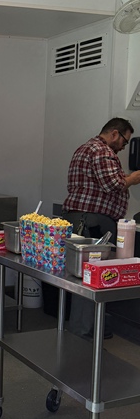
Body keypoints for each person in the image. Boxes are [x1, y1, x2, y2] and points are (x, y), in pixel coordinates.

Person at [62, 117, 140, 340]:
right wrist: (132, 178)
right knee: (91, 277)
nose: (124, 146)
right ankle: (82, 333)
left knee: (81, 275)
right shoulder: (102, 151)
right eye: (124, 140)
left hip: (80, 220)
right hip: (92, 223)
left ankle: (90, 326)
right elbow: (112, 184)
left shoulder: (84, 148)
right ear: (114, 133)